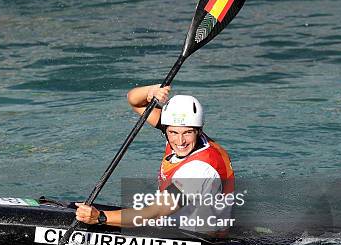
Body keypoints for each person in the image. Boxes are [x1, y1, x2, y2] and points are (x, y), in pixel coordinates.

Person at [75, 84, 235, 236]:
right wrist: (151, 91)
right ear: (165, 129)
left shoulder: (200, 170)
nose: (180, 141)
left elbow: (153, 212)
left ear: (199, 130)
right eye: (173, 133)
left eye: (187, 133)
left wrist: (101, 217)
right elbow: (135, 102)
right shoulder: (181, 130)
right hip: (175, 220)